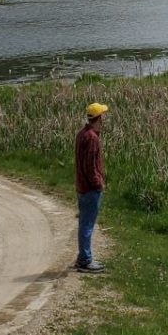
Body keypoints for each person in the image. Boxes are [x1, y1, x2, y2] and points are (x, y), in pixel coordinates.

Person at [74, 101, 108, 273]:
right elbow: (90, 166)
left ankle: (82, 258)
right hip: (89, 189)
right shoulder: (92, 138)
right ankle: (86, 260)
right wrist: (98, 184)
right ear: (99, 118)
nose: (105, 118)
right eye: (103, 115)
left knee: (83, 224)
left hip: (81, 187)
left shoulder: (82, 134)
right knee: (87, 225)